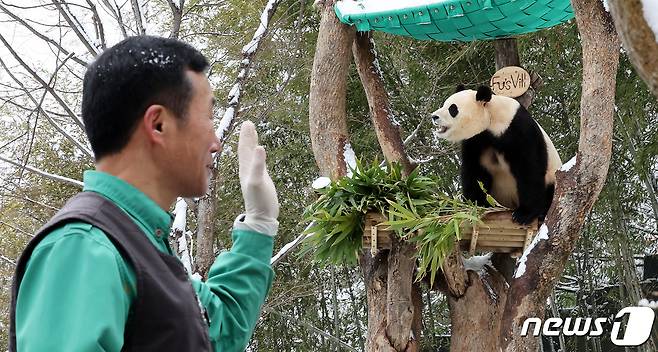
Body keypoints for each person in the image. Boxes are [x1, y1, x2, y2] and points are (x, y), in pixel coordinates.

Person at [9, 36, 279, 352]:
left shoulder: (140, 248)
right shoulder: (86, 247)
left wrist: (259, 225)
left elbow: (220, 330)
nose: (215, 140)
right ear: (159, 124)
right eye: (207, 116)